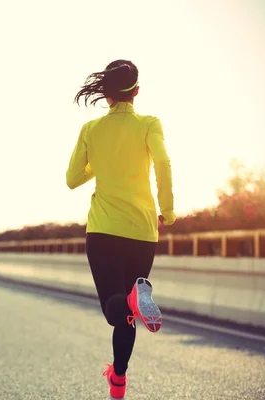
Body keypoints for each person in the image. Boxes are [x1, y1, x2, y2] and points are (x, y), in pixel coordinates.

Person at [66, 59, 176, 400]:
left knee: (116, 309)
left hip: (103, 231)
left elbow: (72, 180)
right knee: (128, 315)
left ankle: (132, 300)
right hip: (143, 231)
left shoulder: (91, 130)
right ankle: (118, 379)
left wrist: (99, 165)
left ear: (106, 95)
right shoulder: (149, 124)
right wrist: (168, 210)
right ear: (136, 91)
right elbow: (162, 162)